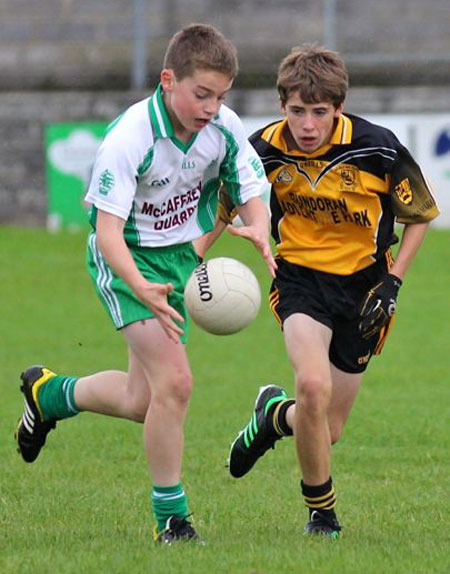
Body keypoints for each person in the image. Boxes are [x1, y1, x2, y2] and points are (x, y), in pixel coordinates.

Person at [15, 23, 275, 545]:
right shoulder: (130, 137)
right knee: (175, 386)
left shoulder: (222, 126)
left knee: (143, 399)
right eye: (201, 94)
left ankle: (50, 394)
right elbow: (107, 233)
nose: (211, 107)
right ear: (168, 80)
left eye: (220, 96)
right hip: (125, 260)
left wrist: (259, 230)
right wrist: (142, 288)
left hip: (179, 259)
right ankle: (172, 520)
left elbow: (250, 188)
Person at [226, 44, 440, 538]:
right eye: (297, 111)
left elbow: (421, 216)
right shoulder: (261, 149)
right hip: (300, 281)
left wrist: (394, 281)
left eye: (318, 112)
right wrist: (191, 261)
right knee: (313, 387)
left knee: (327, 428)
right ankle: (322, 515)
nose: (306, 124)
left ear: (337, 109)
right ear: (283, 106)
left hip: (365, 290)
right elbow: (221, 205)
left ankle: (272, 417)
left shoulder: (377, 147)